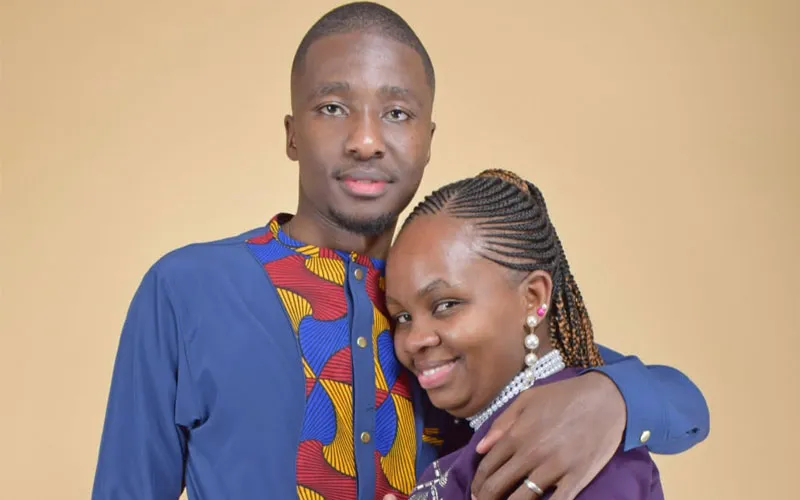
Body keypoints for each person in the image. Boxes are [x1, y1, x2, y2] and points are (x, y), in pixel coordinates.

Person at [91, 3, 709, 500]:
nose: (365, 140)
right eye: (333, 108)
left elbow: (680, 403)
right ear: (292, 134)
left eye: (396, 112)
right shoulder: (189, 289)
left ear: (428, 138)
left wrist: (613, 401)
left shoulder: (457, 301)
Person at [386, 169, 665, 499]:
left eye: (446, 305)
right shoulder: (475, 431)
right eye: (403, 316)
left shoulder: (577, 445)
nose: (414, 340)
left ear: (532, 298)